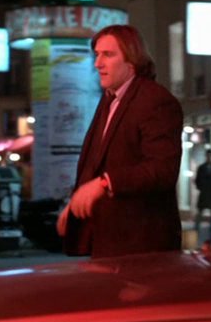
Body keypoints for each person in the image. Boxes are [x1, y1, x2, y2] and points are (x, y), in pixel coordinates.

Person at [56, 24, 183, 258]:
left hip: (141, 246)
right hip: (109, 241)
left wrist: (105, 184)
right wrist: (76, 202)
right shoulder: (110, 99)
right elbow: (97, 160)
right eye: (97, 55)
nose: (98, 63)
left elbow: (162, 169)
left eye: (108, 54)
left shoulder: (155, 101)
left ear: (132, 60)